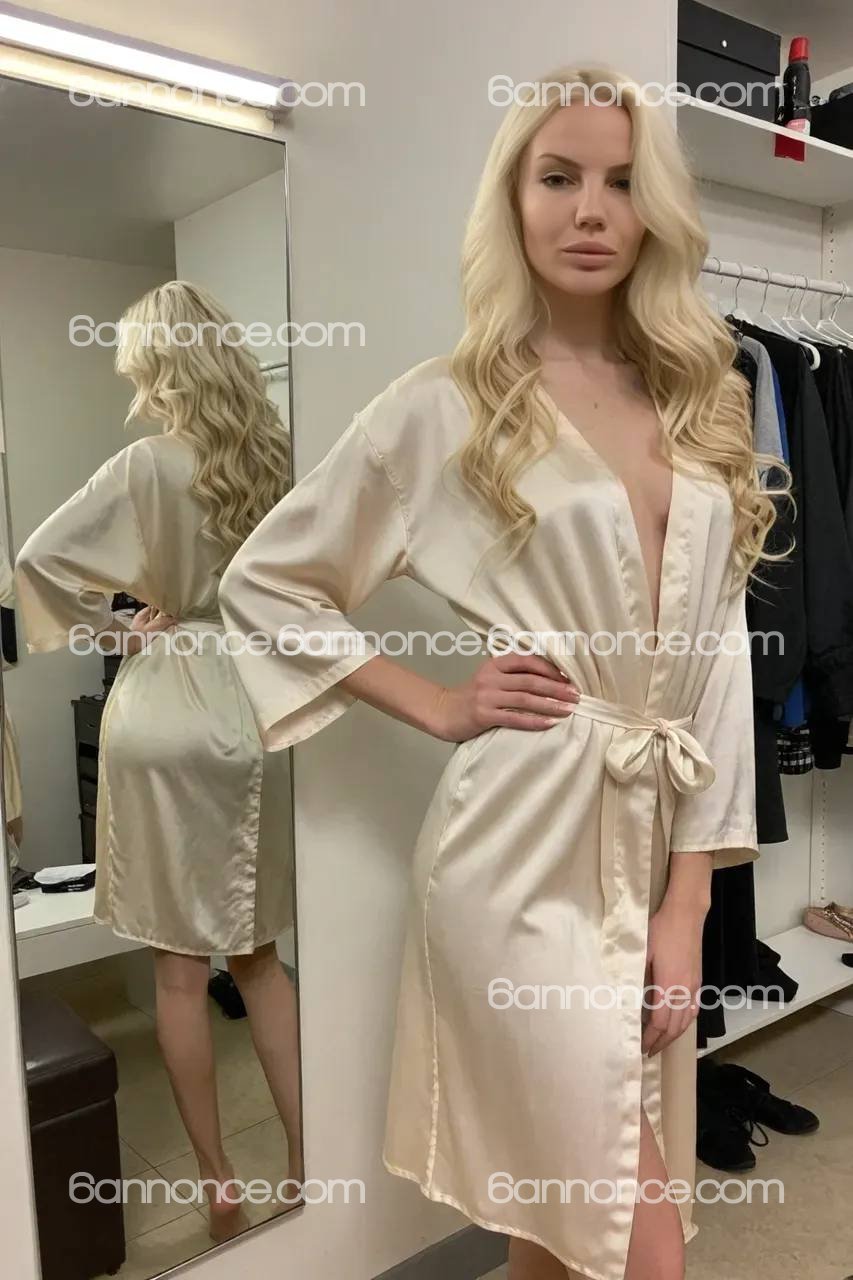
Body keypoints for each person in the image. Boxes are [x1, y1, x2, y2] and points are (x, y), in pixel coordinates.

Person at [217, 67, 789, 1280]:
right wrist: (435, 702)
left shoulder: (702, 400)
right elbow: (266, 582)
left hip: (649, 846)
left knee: (556, 1222)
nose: (590, 209)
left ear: (653, 211)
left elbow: (715, 664)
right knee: (640, 1247)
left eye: (621, 183)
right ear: (512, 200)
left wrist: (686, 909)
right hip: (511, 859)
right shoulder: (445, 407)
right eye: (558, 176)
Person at [14, 281, 301, 1243]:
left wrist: (120, 625)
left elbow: (36, 564)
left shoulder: (145, 464)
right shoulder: (275, 461)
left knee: (178, 972)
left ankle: (217, 1183)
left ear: (157, 368)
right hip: (252, 710)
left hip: (165, 699)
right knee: (259, 962)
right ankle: (306, 1164)